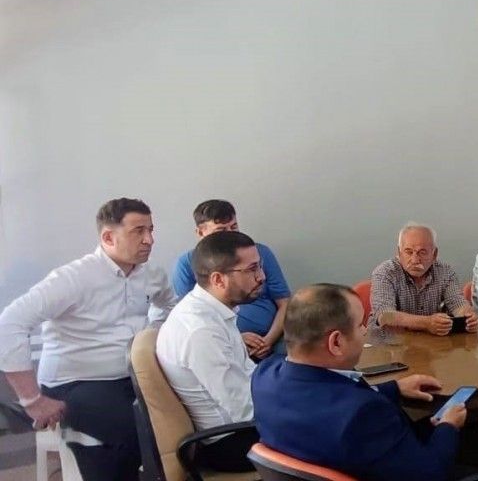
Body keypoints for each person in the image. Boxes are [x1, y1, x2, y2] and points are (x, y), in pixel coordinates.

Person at [0, 198, 177, 481]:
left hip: (130, 376)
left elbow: (169, 305)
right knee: (130, 429)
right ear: (108, 237)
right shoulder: (73, 278)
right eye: (138, 231)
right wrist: (32, 400)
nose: (149, 240)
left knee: (179, 415)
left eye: (151, 230)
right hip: (75, 382)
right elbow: (9, 323)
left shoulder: (152, 274)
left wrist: (150, 336)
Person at [252, 284, 470, 480]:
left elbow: (327, 399)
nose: (365, 331)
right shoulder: (364, 414)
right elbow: (431, 473)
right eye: (360, 325)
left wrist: (394, 388)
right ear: (336, 343)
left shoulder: (264, 374)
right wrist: (448, 426)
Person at [156, 231, 263, 472]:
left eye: (259, 266)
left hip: (243, 426)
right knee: (330, 433)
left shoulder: (211, 311)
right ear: (218, 280)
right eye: (252, 269)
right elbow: (243, 409)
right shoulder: (201, 330)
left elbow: (247, 376)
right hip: (232, 442)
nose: (261, 277)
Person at [172, 200, 290, 359]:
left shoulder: (256, 252)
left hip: (273, 338)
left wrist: (268, 340)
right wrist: (235, 338)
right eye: (221, 230)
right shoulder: (186, 264)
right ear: (200, 233)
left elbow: (285, 302)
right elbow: (192, 317)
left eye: (234, 227)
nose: (230, 235)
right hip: (223, 342)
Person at [371, 224, 478, 334]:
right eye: (408, 252)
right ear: (399, 252)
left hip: (430, 340)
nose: (415, 260)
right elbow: (385, 316)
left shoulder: (445, 272)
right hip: (389, 341)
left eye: (422, 252)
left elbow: (457, 303)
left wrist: (468, 317)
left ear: (434, 254)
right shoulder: (385, 273)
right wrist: (426, 323)